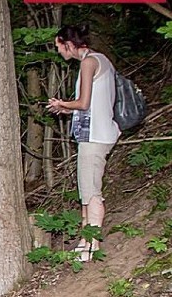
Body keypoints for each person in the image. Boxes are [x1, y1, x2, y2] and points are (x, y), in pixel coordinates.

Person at [47, 24, 119, 261]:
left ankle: (93, 245)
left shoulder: (89, 63)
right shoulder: (100, 60)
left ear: (68, 43)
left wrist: (62, 104)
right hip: (96, 134)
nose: (59, 52)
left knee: (92, 193)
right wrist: (67, 110)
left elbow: (84, 102)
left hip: (95, 137)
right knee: (86, 192)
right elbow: (92, 104)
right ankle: (85, 239)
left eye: (59, 47)